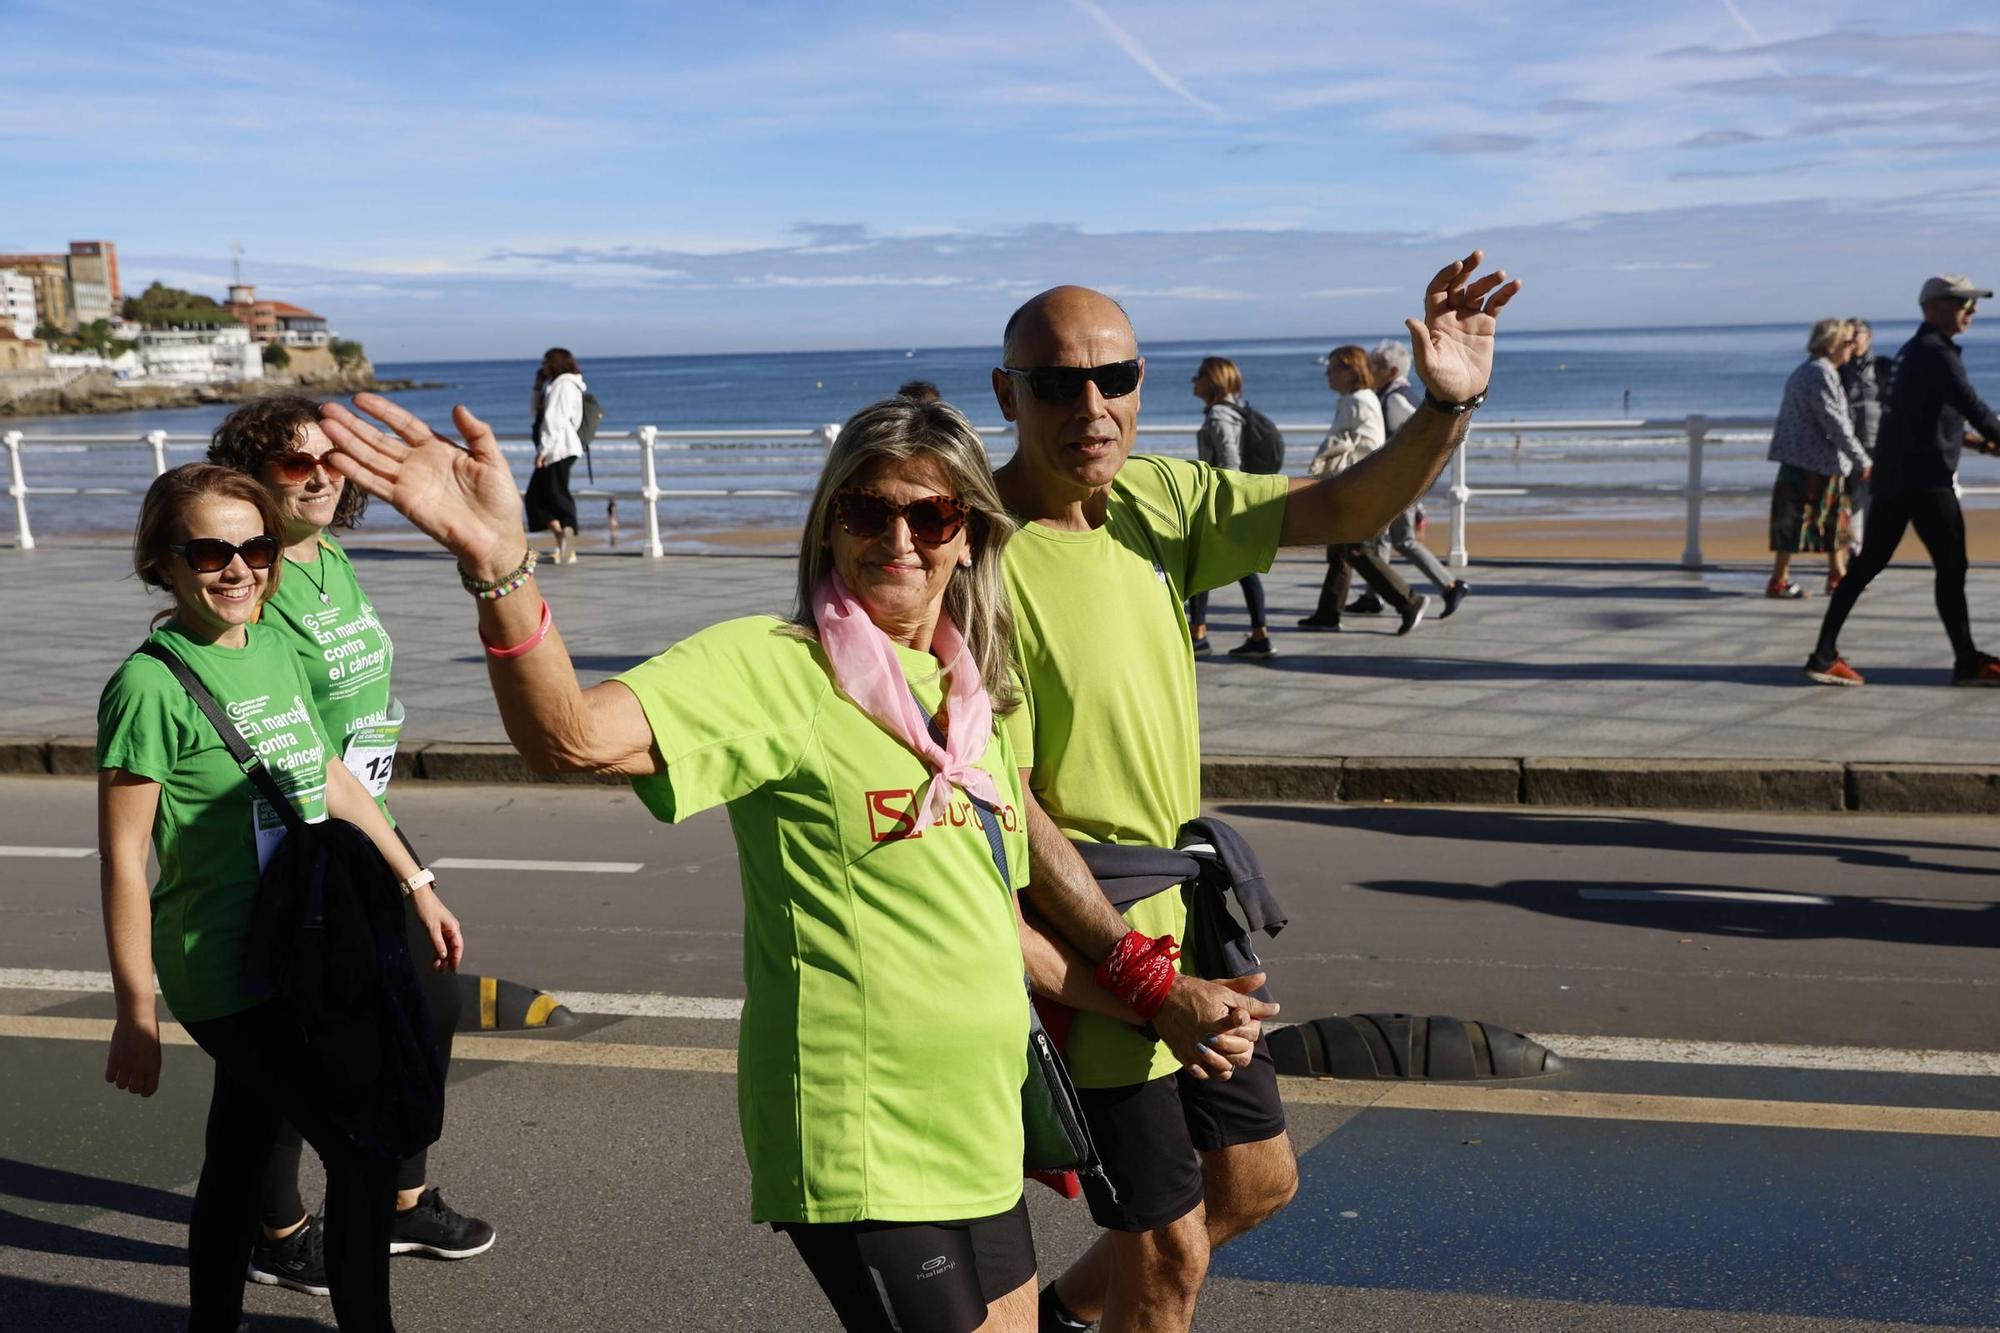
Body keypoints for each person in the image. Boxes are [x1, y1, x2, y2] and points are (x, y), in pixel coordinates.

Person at [317, 392, 1261, 1333]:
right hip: (864, 1140)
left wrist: (1162, 998)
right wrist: (500, 568)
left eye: (930, 514)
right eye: (867, 510)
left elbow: (992, 927)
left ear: (969, 534)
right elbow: (569, 736)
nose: (900, 537)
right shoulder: (775, 671)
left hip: (979, 1128)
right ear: (829, 528)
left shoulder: (977, 701)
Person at [988, 252, 1518, 1333]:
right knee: (1170, 1256)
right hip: (1086, 940)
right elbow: (1012, 808)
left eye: (1116, 378)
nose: (1092, 407)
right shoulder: (981, 558)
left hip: (1186, 906)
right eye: (1054, 384)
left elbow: (1343, 505)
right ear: (1006, 396)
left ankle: (1058, 1318)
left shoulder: (1156, 499)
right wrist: (1133, 977)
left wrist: (1443, 409)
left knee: (1256, 1182)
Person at [99, 462, 464, 1331]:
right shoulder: (148, 686)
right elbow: (120, 859)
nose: (238, 568)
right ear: (164, 561)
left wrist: (416, 881)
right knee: (362, 1150)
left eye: (254, 547)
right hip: (224, 964)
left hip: (301, 941)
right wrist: (135, 1011)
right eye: (211, 551)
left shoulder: (270, 642)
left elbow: (328, 774)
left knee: (239, 1152)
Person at [205, 396, 495, 1297]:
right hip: (303, 830)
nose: (324, 476)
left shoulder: (328, 557)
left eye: (333, 460)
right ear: (253, 476)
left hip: (360, 813)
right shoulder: (259, 583)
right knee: (306, 1035)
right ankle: (279, 1226)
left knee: (421, 1000)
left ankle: (401, 1199)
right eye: (298, 464)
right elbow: (280, 722)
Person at [1805, 275, 2000, 687]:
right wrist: (1992, 434)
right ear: (1933, 308)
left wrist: (1984, 446)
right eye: (1963, 303)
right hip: (1924, 480)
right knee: (1951, 566)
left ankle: (1824, 654)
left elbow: (1931, 419)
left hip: (1897, 478)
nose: (1972, 311)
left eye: (1972, 304)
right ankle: (1966, 662)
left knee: (1868, 565)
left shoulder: (1916, 351)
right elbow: (1974, 406)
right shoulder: (1935, 353)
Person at [1297, 346, 1429, 635]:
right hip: (1360, 484)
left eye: (1333, 368)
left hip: (1356, 486)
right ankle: (1328, 613)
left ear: (1351, 371)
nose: (1328, 374)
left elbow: (1362, 447)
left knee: (1355, 550)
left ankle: (1408, 600)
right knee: (1342, 551)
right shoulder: (1358, 399)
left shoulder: (1357, 401)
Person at [1350, 340, 1469, 618]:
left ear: (1391, 371)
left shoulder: (1394, 398)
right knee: (1379, 536)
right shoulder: (1397, 393)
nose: (1368, 370)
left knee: (1403, 539)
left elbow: (1428, 436)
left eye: (1374, 366)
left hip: (1401, 481)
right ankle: (1374, 594)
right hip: (1395, 479)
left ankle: (1451, 585)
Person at [1765, 319, 1867, 599]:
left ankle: (1838, 575)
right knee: (1801, 521)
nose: (1852, 348)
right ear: (1830, 345)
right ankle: (1781, 580)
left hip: (1810, 460)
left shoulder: (1813, 371)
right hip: (1812, 462)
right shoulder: (1819, 374)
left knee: (1833, 521)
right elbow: (1836, 423)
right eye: (1847, 342)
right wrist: (1862, 459)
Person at [1184, 357, 1272, 658]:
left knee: (1197, 564)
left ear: (1212, 381)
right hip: (1240, 503)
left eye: (1198, 376)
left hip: (1222, 503)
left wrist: (1219, 500)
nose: (1193, 381)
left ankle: (1199, 634)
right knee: (1245, 567)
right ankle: (1259, 635)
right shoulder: (1237, 410)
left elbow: (1230, 462)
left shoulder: (1220, 416)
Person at [527, 348, 586, 565]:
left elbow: (554, 420)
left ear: (554, 363)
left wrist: (544, 450)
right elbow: (536, 412)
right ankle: (564, 543)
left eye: (545, 362)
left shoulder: (563, 385)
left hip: (558, 449)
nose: (541, 366)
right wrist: (536, 386)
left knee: (549, 496)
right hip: (560, 448)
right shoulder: (555, 385)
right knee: (547, 496)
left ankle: (567, 538)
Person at [1841, 318, 1887, 553]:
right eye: (1847, 334)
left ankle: (1871, 551)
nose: (1851, 339)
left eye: (1856, 334)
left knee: (1876, 500)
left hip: (1879, 441)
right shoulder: (1840, 369)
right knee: (1851, 499)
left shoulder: (1883, 366)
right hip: (1849, 445)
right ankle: (1854, 550)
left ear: (1869, 336)